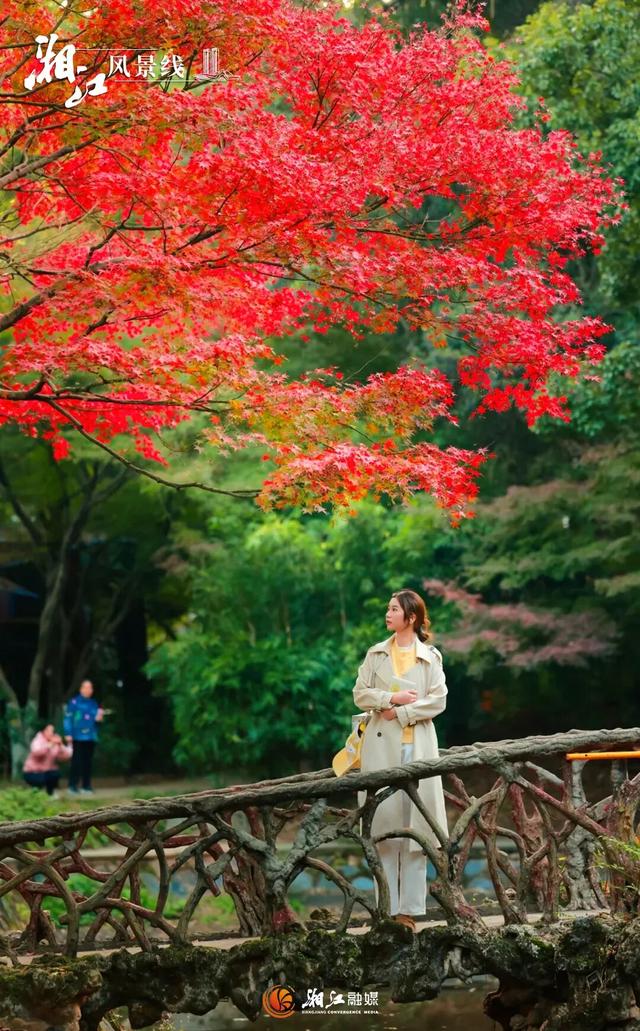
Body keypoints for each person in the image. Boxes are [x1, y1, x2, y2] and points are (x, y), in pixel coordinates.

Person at [352, 588, 449, 933]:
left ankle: (409, 910)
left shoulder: (430, 657)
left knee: (415, 828)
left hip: (418, 747)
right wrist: (389, 697)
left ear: (412, 617)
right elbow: (360, 693)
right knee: (384, 827)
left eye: (394, 609)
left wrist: (404, 712)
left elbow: (439, 701)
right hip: (381, 748)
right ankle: (386, 909)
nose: (387, 613)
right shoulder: (376, 654)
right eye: (388, 608)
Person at [63, 679, 104, 795]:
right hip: (77, 736)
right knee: (76, 761)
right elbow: (68, 718)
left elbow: (97, 720)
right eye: (86, 687)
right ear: (81, 689)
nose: (88, 690)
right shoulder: (74, 702)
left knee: (88, 762)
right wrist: (68, 733)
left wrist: (99, 719)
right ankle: (72, 786)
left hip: (90, 736)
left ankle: (86, 786)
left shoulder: (93, 703)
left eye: (90, 688)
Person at [23, 724, 72, 798]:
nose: (51, 733)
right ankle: (35, 793)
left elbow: (67, 756)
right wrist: (50, 744)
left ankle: (50, 793)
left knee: (55, 774)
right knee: (40, 779)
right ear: (43, 731)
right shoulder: (37, 740)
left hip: (47, 772)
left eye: (53, 731)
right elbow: (37, 752)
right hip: (32, 772)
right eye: (49, 731)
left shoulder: (55, 742)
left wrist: (60, 745)